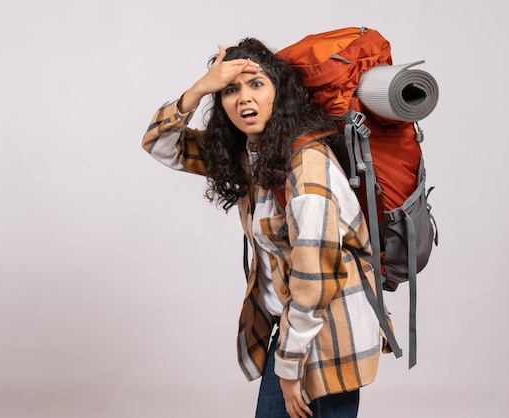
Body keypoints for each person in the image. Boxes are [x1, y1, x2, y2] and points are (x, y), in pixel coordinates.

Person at [141, 38, 389, 418]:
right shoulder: (251, 155)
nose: (243, 99)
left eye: (256, 84)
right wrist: (199, 88)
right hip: (293, 330)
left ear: (279, 93)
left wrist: (289, 369)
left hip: (331, 336)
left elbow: (315, 275)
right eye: (230, 89)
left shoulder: (307, 165)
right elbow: (159, 143)